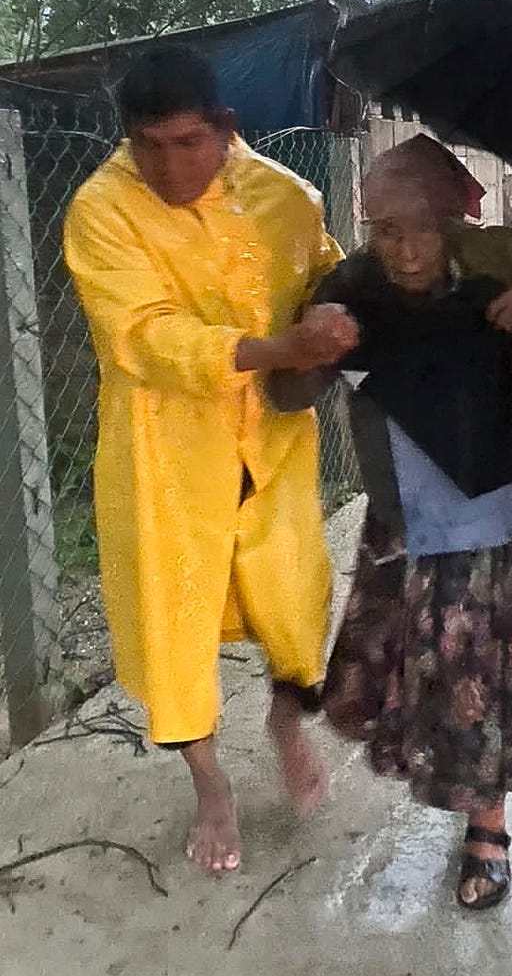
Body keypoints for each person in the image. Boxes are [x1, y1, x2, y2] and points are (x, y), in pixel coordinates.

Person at [63, 46, 360, 875]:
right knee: (174, 623)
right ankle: (211, 787)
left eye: (187, 142)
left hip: (271, 445)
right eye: (146, 144)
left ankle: (286, 720)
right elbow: (142, 336)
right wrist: (278, 345)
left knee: (295, 600)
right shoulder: (101, 210)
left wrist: (334, 323)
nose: (166, 164)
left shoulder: (285, 197)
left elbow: (329, 277)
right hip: (165, 456)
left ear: (226, 128)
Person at [268, 134, 512, 909]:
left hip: (495, 514)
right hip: (403, 517)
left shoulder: (498, 267)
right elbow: (288, 398)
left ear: (453, 217)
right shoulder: (353, 287)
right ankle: (429, 775)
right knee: (397, 672)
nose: (400, 248)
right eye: (383, 228)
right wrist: (307, 348)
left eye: (418, 226)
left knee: (481, 681)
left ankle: (487, 828)